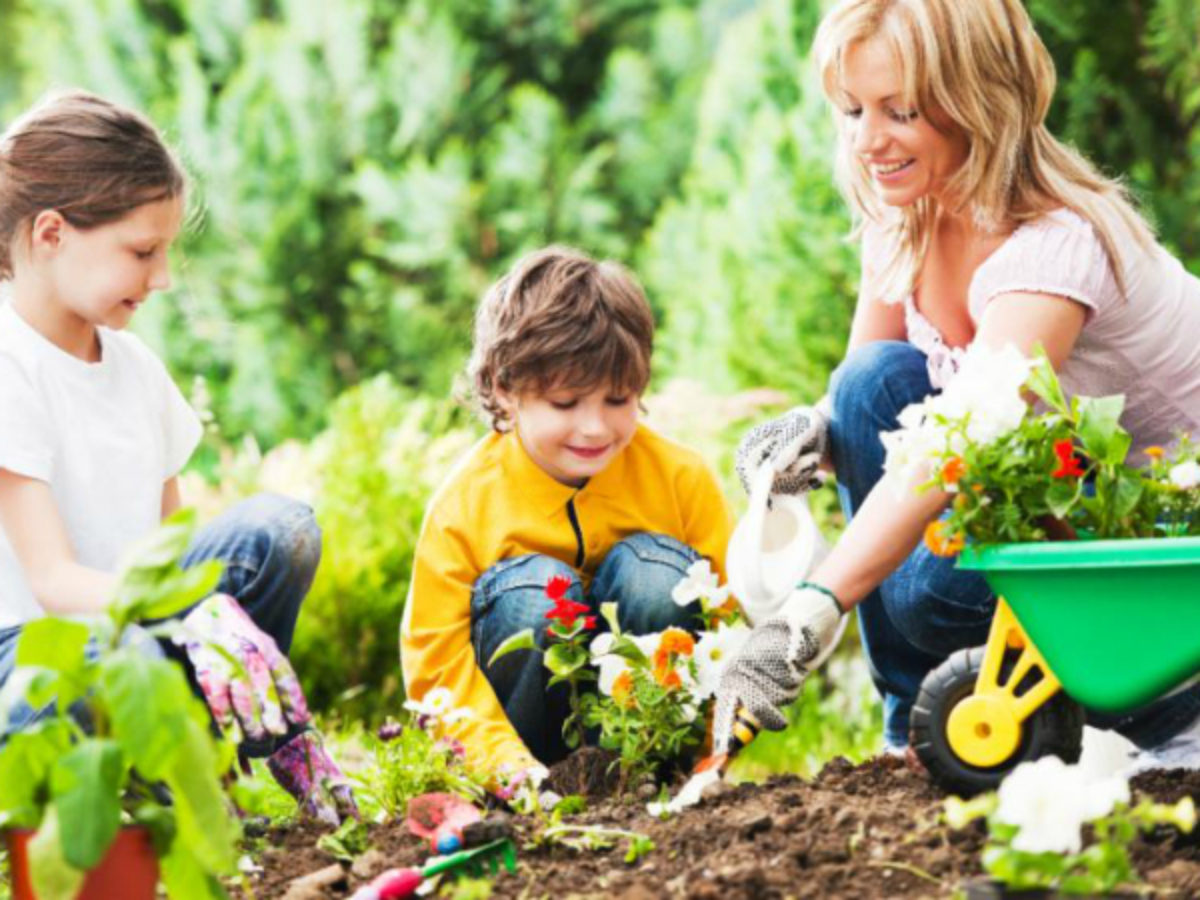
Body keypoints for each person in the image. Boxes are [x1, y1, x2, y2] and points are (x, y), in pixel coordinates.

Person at [714, 0, 1200, 766]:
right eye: (852, 110)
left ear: (980, 101)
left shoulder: (1054, 249)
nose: (869, 140)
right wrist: (810, 432)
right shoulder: (906, 214)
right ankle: (914, 728)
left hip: (1153, 574)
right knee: (867, 384)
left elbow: (958, 440)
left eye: (900, 110)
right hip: (1052, 511)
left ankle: (1143, 704)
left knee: (924, 591)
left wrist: (810, 611)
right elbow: (868, 392)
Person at [0, 90, 356, 824]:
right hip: (35, 667)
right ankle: (143, 785)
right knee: (110, 658)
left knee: (279, 530)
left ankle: (205, 755)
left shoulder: (135, 369)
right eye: (142, 251)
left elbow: (178, 553)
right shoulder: (10, 365)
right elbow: (55, 581)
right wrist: (194, 615)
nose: (161, 277)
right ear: (51, 234)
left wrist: (212, 616)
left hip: (138, 642)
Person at [402, 246, 734, 782]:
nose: (596, 428)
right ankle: (544, 778)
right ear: (506, 390)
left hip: (647, 730)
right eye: (565, 404)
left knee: (659, 578)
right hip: (524, 753)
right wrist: (507, 768)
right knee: (537, 593)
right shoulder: (464, 505)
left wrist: (712, 756)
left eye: (618, 399)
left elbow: (730, 622)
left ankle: (644, 773)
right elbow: (436, 667)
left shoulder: (680, 478)